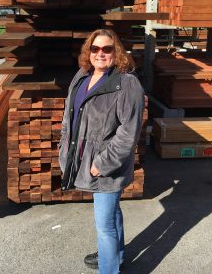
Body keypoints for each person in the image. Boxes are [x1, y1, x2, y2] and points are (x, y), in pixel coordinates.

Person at [59, 29, 144, 274]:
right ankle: (115, 256)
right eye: (95, 49)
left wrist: (102, 164)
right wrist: (63, 148)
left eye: (107, 49)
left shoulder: (127, 84)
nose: (100, 54)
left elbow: (128, 133)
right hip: (82, 159)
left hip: (106, 167)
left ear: (116, 52)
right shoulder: (82, 76)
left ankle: (110, 268)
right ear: (88, 51)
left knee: (104, 225)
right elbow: (69, 118)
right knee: (112, 214)